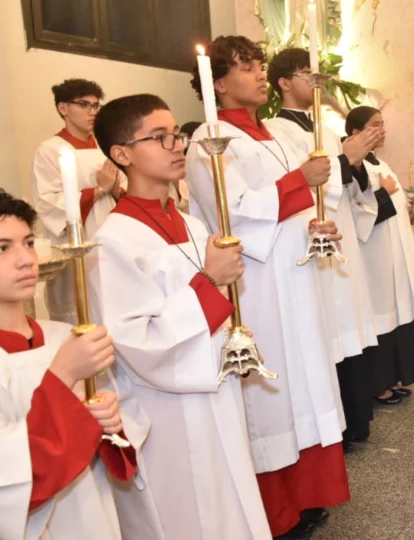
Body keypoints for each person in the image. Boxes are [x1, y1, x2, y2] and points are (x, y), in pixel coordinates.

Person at [185, 36, 349, 539]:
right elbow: (232, 213)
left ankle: (304, 496)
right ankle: (274, 509)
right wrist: (298, 179)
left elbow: (290, 210)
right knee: (270, 394)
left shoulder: (268, 135)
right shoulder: (209, 141)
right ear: (217, 83)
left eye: (259, 64)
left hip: (293, 278)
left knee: (302, 380)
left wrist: (312, 227)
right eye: (247, 67)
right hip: (255, 283)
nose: (259, 74)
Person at [89, 94, 272, 540]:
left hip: (214, 390)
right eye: (160, 137)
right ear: (122, 154)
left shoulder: (190, 224)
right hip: (168, 406)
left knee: (230, 502)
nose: (177, 146)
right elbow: (137, 342)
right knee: (191, 516)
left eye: (178, 136)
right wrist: (211, 282)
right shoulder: (112, 242)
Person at [0, 189, 136, 540]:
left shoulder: (66, 336)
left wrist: (110, 423)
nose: (26, 259)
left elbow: (123, 434)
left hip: (93, 519)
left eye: (28, 243)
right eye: (2, 248)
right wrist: (62, 376)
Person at [265, 47, 386, 446]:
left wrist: (353, 162)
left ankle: (357, 417)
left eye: (316, 75)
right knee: (327, 328)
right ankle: (336, 428)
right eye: (305, 74)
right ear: (284, 83)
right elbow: (299, 183)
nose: (314, 82)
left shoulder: (327, 128)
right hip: (313, 242)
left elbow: (350, 185)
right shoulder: (274, 132)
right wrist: (343, 159)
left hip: (343, 233)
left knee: (348, 323)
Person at [345, 106, 414, 407]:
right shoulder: (353, 170)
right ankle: (377, 385)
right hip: (374, 258)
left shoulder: (380, 163)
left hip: (395, 252)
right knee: (380, 318)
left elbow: (392, 200)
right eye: (374, 125)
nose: (381, 130)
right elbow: (356, 217)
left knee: (399, 316)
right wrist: (386, 195)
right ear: (355, 133)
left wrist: (402, 203)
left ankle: (394, 376)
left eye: (383, 124)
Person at [31, 78, 124, 324]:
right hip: (76, 240)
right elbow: (48, 201)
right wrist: (99, 189)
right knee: (81, 312)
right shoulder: (51, 150)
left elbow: (124, 192)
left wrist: (114, 190)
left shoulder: (107, 148)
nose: (92, 112)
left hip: (110, 238)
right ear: (64, 108)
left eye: (96, 105)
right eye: (84, 105)